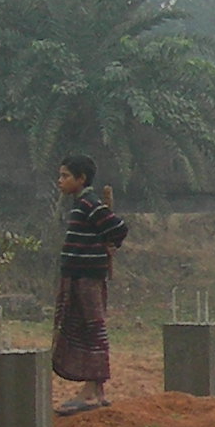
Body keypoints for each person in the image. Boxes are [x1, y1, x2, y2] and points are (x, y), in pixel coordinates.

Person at [51, 155, 129, 413]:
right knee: (84, 329)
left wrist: (110, 244)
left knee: (91, 329)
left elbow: (118, 229)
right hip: (77, 277)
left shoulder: (90, 203)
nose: (60, 181)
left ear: (81, 179)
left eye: (65, 176)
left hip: (87, 278)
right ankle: (95, 390)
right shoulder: (80, 204)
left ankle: (91, 389)